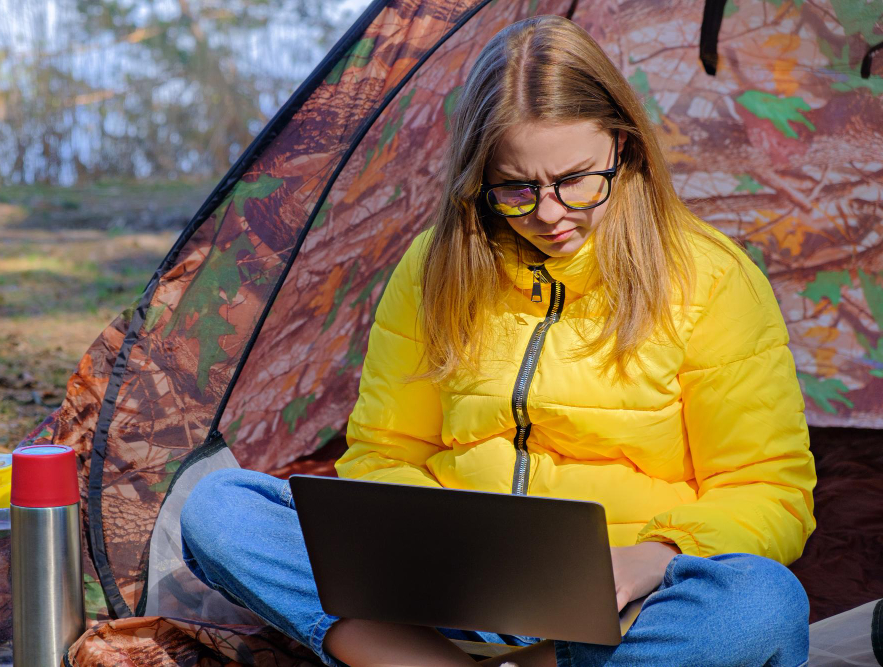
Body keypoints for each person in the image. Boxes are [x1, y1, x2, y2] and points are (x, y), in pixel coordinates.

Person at [179, 14, 816, 667]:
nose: (548, 213)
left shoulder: (711, 278)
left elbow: (771, 489)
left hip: (622, 608)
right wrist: (434, 547)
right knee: (221, 511)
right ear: (477, 176)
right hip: (441, 591)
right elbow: (383, 450)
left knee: (761, 603)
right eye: (516, 187)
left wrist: (654, 557)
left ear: (624, 147)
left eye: (575, 180)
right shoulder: (435, 267)